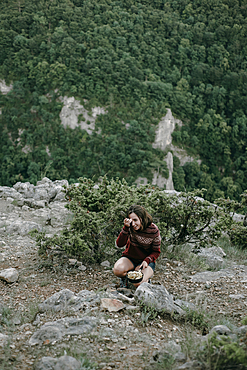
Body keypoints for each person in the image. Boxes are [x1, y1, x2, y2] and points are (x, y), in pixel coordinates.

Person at [113, 205, 161, 288]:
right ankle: (126, 279)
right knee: (117, 270)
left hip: (145, 262)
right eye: (131, 220)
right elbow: (119, 244)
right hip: (130, 258)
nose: (133, 224)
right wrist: (126, 228)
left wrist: (147, 260)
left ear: (142, 218)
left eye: (135, 220)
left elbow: (156, 251)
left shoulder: (153, 230)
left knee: (138, 282)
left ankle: (146, 280)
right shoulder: (130, 227)